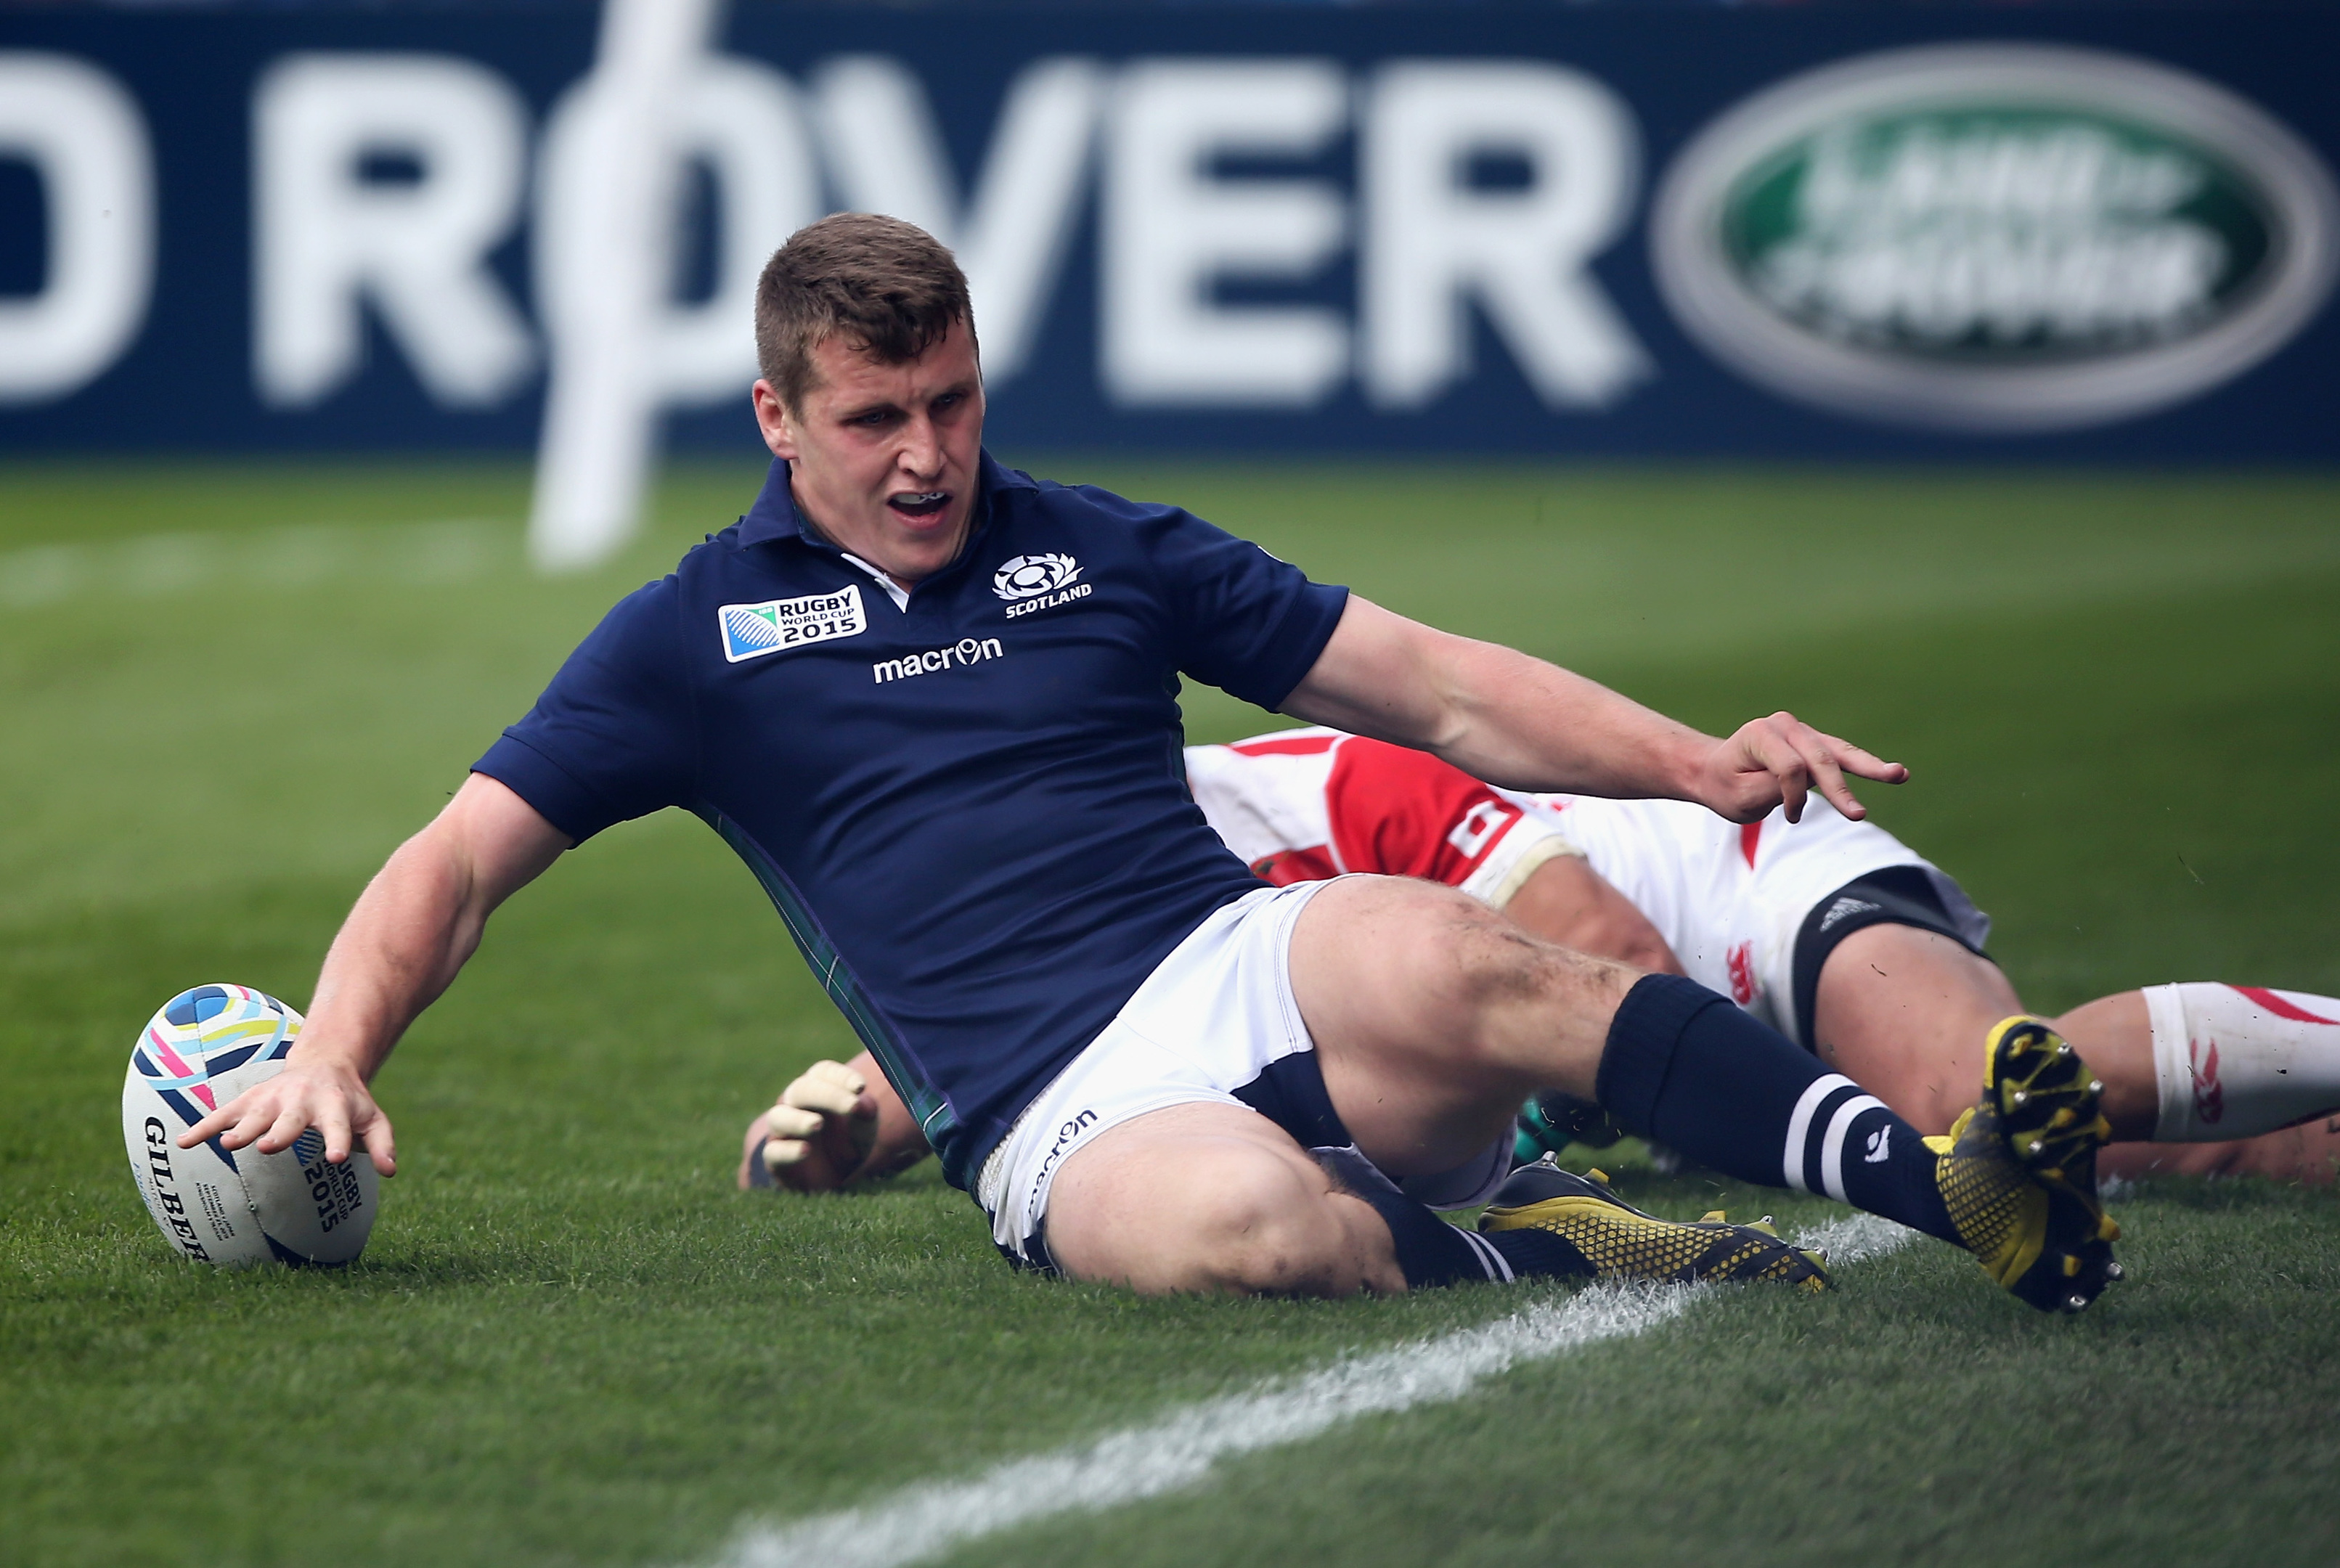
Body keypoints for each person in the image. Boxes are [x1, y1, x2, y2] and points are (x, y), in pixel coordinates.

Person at [181, 213, 2119, 1312]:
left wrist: (1692, 762)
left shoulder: (1099, 545)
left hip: (1235, 961)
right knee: (1256, 1240)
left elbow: (1429, 684)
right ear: (778, 419)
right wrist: (338, 1049)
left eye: (952, 400)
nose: (929, 453)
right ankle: (1533, 1242)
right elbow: (454, 865)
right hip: (1050, 1108)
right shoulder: (696, 638)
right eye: (875, 419)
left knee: (1473, 959)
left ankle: (1960, 1197)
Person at [749, 729, 2340, 1199]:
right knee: (2160, 1162)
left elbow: (1616, 955)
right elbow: (999, 1066)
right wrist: (828, 1141)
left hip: (1737, 901)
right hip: (1628, 1040)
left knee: (1965, 1095)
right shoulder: (1080, 901)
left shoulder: (1320, 786)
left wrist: (1496, 1125)